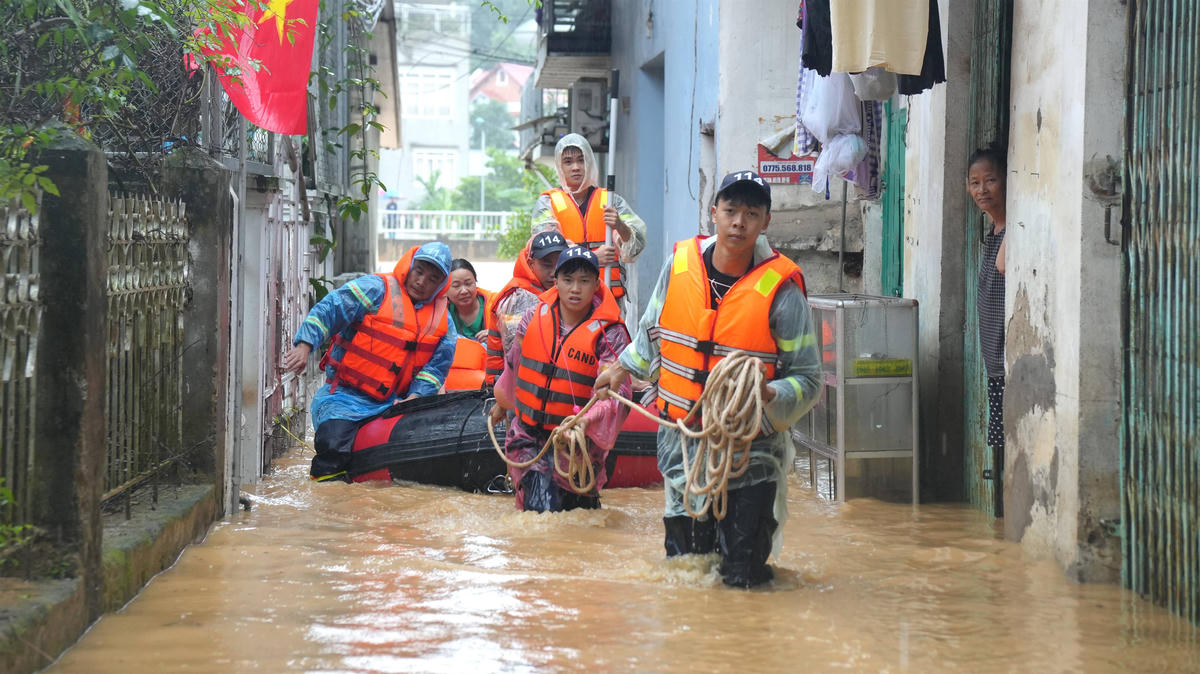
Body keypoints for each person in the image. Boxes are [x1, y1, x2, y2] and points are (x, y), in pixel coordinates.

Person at [594, 171, 822, 588]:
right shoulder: (680, 266)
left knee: (743, 578)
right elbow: (651, 335)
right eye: (731, 211)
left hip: (751, 452)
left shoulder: (782, 290)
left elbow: (807, 379)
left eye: (751, 213)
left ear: (765, 222)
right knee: (687, 573)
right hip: (684, 449)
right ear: (713, 213)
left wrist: (769, 391)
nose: (739, 222)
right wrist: (618, 370)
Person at [282, 242, 457, 482]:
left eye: (432, 278)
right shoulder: (376, 288)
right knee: (332, 447)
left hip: (396, 403)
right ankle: (326, 506)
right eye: (419, 272)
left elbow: (436, 368)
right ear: (409, 266)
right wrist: (305, 345)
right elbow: (330, 310)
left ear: (441, 285)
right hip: (344, 397)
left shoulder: (443, 322)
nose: (422, 281)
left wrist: (416, 397)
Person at [489, 246, 633, 512]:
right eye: (568, 280)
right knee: (540, 511)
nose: (575, 289)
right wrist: (502, 403)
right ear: (556, 282)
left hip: (578, 443)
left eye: (584, 281)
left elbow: (616, 394)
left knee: (581, 516)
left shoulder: (611, 334)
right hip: (528, 436)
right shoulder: (533, 317)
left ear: (596, 284)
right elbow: (514, 366)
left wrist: (584, 421)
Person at [531, 133, 647, 306]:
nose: (576, 167)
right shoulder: (547, 203)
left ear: (590, 162)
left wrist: (620, 226)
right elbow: (547, 251)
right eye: (568, 162)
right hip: (567, 299)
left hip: (607, 297)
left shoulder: (610, 200)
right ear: (559, 166)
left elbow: (635, 247)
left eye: (581, 160)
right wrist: (591, 258)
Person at [966, 143, 1007, 516]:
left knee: (1009, 447)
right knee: (1001, 445)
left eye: (991, 180)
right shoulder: (993, 230)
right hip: (995, 364)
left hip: (1009, 365)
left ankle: (1008, 520)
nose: (982, 190)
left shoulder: (1011, 230)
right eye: (975, 182)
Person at [483, 231, 567, 385]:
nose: (554, 272)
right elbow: (517, 353)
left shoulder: (558, 290)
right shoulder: (518, 297)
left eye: (560, 263)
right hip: (507, 385)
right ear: (530, 264)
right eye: (546, 264)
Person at [447, 258, 491, 342]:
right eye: (456, 286)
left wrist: (496, 336)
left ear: (475, 282)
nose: (464, 291)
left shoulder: (496, 305)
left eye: (468, 284)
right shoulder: (441, 311)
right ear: (445, 289)